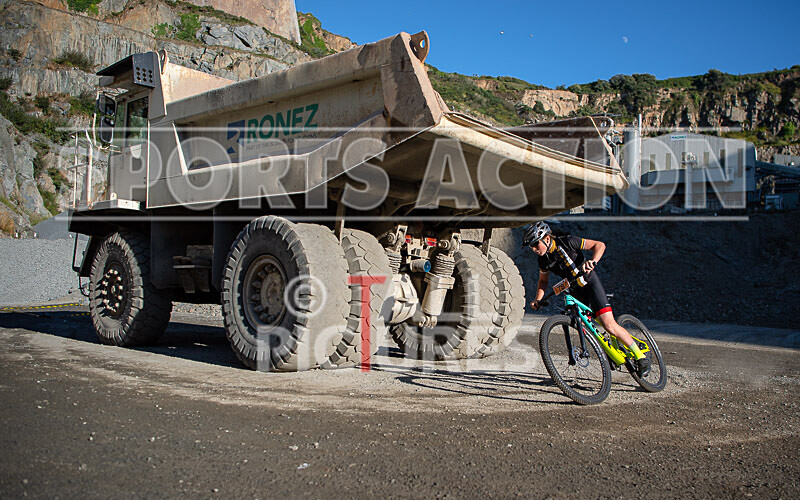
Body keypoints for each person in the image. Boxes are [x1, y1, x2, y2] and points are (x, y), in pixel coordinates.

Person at [523, 221, 651, 377]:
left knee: (609, 325)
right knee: (582, 323)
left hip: (590, 284)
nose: (534, 249)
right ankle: (607, 349)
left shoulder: (568, 241)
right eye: (532, 246)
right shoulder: (543, 260)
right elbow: (543, 281)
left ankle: (641, 356)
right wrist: (538, 299)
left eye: (536, 244)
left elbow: (599, 245)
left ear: (547, 239)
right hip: (575, 290)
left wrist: (593, 261)